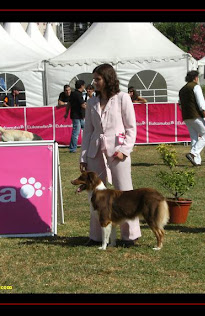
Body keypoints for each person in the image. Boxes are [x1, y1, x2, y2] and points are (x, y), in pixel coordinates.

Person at [80, 63, 141, 246]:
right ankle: (97, 236)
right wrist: (83, 157)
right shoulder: (91, 102)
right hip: (94, 150)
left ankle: (130, 235)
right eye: (94, 79)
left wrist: (124, 150)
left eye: (98, 79)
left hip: (118, 150)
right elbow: (88, 131)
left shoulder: (122, 98)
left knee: (124, 191)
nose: (95, 83)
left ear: (107, 79)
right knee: (96, 194)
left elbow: (131, 128)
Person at [179, 70, 205, 167]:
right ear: (195, 78)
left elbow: (180, 104)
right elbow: (201, 103)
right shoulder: (195, 86)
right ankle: (193, 153)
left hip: (186, 116)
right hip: (196, 115)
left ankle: (197, 161)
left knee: (194, 138)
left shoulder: (182, 89)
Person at [66, 80, 86, 153]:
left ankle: (85, 145)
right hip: (77, 116)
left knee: (86, 129)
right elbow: (83, 105)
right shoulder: (78, 94)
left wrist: (66, 113)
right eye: (84, 85)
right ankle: (72, 148)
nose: (84, 87)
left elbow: (69, 104)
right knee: (76, 132)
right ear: (81, 86)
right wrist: (91, 109)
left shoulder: (73, 93)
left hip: (78, 115)